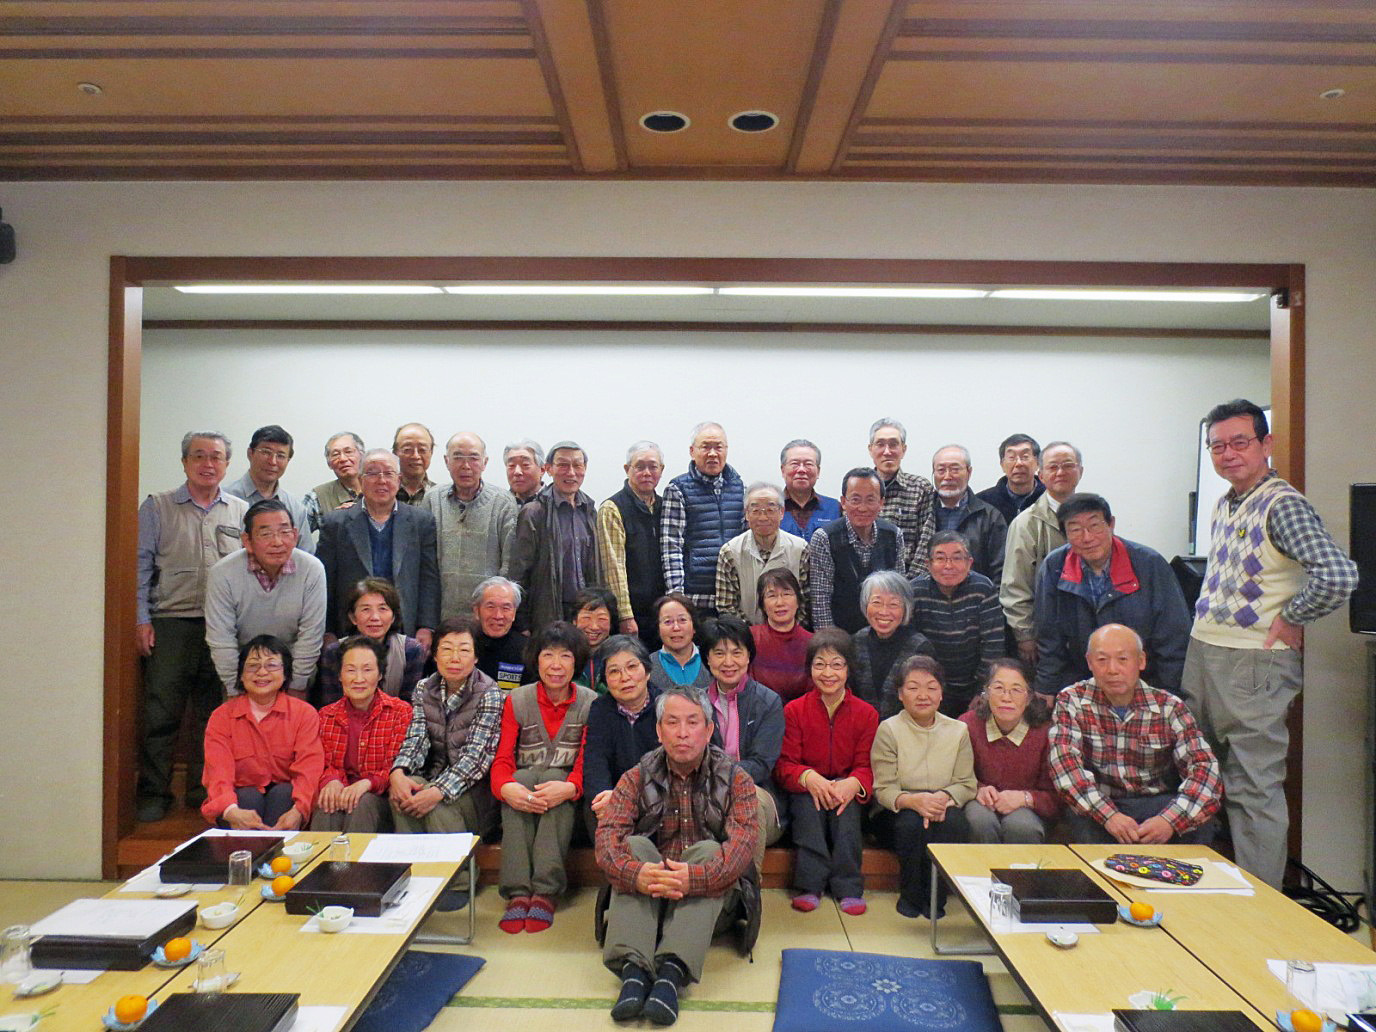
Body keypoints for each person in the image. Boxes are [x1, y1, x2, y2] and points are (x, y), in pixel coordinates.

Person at [1183, 399, 1359, 887]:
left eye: (1239, 442)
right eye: (1217, 446)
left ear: (1266, 444)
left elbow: (1339, 575)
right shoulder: (1226, 502)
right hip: (1205, 653)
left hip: (1253, 664)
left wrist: (1292, 617)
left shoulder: (1283, 504)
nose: (1228, 454)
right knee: (1200, 777)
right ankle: (1209, 893)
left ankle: (1259, 906)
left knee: (1252, 788)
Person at [595, 686, 760, 1027]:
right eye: (672, 722)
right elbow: (607, 840)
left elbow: (741, 850)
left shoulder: (736, 779)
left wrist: (693, 879)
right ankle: (634, 974)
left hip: (710, 906)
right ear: (659, 731)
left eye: (692, 722)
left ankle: (671, 975)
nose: (682, 733)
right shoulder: (636, 776)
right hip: (650, 898)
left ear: (709, 730)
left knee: (710, 851)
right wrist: (637, 874)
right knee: (634, 847)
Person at [136, 430, 250, 821]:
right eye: (199, 456)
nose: (208, 464)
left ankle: (204, 791)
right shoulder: (157, 506)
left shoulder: (240, 510)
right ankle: (153, 793)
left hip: (222, 628)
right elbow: (139, 567)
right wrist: (140, 619)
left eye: (216, 457)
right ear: (185, 462)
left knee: (213, 715)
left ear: (227, 464)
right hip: (170, 623)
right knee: (161, 713)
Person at [1049, 624, 1223, 846]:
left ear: (1141, 661)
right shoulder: (1071, 700)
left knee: (1198, 821)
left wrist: (1170, 821)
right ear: (1089, 663)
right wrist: (1109, 816)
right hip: (1102, 805)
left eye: (1122, 659)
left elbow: (1205, 768)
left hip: (1158, 805)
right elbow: (1064, 765)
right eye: (1102, 660)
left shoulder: (1169, 706)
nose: (1112, 669)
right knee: (1081, 817)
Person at [490, 622, 598, 934]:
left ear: (576, 662)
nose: (556, 665)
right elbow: (502, 758)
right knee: (520, 779)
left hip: (566, 797)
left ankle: (545, 892)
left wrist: (570, 787)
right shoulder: (517, 699)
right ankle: (518, 892)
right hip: (524, 787)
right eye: (548, 655)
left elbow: (587, 759)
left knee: (554, 778)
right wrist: (505, 787)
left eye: (565, 656)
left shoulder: (591, 702)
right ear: (536, 660)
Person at [1034, 493, 1190, 696]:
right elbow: (1049, 636)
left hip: (1144, 681)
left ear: (1111, 524)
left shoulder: (1149, 564)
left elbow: (1173, 637)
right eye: (1075, 530)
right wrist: (1047, 687)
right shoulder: (1055, 566)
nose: (1087, 537)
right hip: (1079, 683)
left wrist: (1168, 692)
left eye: (1095, 526)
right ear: (1065, 535)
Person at [775, 628, 878, 915]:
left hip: (847, 785)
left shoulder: (867, 714)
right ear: (810, 669)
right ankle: (810, 885)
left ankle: (849, 886)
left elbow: (867, 765)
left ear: (848, 669)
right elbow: (785, 764)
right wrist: (808, 777)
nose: (828, 673)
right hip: (807, 786)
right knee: (808, 807)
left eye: (837, 664)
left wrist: (854, 783)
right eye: (819, 664)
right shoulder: (794, 710)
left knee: (847, 812)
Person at [870, 655, 976, 918]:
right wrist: (913, 802)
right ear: (900, 694)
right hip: (897, 808)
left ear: (941, 694)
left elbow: (966, 783)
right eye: (913, 687)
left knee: (954, 824)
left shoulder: (958, 730)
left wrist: (941, 799)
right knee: (910, 824)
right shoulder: (888, 729)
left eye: (931, 687)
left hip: (942, 804)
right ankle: (910, 896)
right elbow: (883, 788)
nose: (923, 695)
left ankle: (936, 898)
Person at [390, 615, 503, 839]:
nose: (454, 658)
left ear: (476, 657)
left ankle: (457, 864)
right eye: (447, 649)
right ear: (435, 654)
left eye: (464, 650)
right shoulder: (424, 688)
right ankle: (409, 861)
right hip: (432, 777)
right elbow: (416, 739)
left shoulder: (490, 693)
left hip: (475, 792)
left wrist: (438, 791)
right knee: (404, 794)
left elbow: (475, 759)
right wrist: (398, 772)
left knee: (437, 807)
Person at [317, 448, 440, 651]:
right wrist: (327, 630)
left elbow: (429, 578)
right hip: (350, 627)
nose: (381, 480)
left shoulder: (421, 521)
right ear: (360, 479)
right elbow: (325, 581)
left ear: (399, 480)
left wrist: (426, 626)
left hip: (404, 626)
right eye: (372, 473)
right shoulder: (335, 523)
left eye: (388, 473)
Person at [204, 499, 326, 700]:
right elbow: (222, 640)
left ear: (295, 535)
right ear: (247, 541)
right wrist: (235, 690)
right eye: (265, 534)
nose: (277, 542)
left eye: (284, 532)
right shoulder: (223, 573)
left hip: (294, 670)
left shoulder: (312, 570)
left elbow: (311, 635)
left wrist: (297, 686)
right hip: (242, 673)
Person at [200, 636, 325, 829]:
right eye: (252, 666)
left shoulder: (304, 714)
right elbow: (218, 772)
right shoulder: (222, 716)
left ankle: (275, 847)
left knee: (283, 794)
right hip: (238, 802)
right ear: (241, 675)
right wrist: (231, 810)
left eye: (272, 665)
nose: (262, 672)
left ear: (285, 673)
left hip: (287, 801)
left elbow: (309, 770)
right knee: (248, 797)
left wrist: (298, 810)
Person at [699, 615, 785, 870]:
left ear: (749, 656)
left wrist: (719, 775)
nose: (728, 662)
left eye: (737, 653)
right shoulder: (696, 704)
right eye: (719, 653)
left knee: (749, 800)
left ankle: (748, 888)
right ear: (707, 659)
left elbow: (761, 765)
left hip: (757, 793)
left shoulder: (768, 702)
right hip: (707, 794)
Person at [311, 636, 412, 833]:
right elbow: (323, 764)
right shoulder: (326, 715)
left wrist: (367, 784)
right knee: (326, 804)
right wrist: (331, 781)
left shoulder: (400, 712)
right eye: (350, 670)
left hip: (380, 799)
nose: (358, 679)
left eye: (367, 670)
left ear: (380, 674)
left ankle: (355, 855)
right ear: (339, 675)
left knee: (362, 803)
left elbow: (395, 766)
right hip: (342, 793)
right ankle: (320, 855)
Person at [1001, 439, 1084, 666]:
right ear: (1041, 475)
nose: (1060, 472)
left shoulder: (1094, 517)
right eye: (1052, 467)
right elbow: (1015, 586)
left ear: (1080, 471)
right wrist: (1025, 635)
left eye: (1068, 465)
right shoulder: (1026, 524)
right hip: (1046, 636)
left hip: (1089, 630)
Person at [958, 659, 1059, 843]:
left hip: (1027, 807)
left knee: (1021, 826)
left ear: (1029, 697)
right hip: (981, 802)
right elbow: (956, 777)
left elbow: (1057, 796)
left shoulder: (1046, 732)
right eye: (998, 688)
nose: (1006, 697)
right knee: (979, 820)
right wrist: (978, 789)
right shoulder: (967, 725)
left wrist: (1024, 798)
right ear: (986, 693)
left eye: (1016, 690)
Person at [508, 440, 602, 632]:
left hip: (583, 615)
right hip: (548, 613)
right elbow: (519, 573)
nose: (571, 472)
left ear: (585, 469)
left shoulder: (589, 510)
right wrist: (522, 624)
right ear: (549, 469)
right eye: (563, 465)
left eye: (577, 465)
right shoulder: (534, 513)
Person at [426, 430, 518, 621]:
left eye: (474, 458)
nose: (466, 466)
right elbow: (425, 564)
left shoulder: (503, 502)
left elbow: (508, 565)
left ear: (485, 462)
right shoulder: (432, 499)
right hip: (441, 615)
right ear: (446, 461)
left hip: (488, 618)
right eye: (458, 457)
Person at [909, 532, 1005, 716]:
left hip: (974, 684)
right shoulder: (915, 591)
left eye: (957, 558)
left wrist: (982, 690)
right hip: (929, 685)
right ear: (928, 564)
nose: (948, 566)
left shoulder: (983, 588)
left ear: (969, 563)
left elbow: (993, 644)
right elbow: (911, 647)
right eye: (940, 558)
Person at [808, 467, 905, 633]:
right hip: (840, 634)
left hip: (883, 632)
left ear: (881, 503)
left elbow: (898, 593)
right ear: (843, 502)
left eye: (870, 500)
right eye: (855, 500)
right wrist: (830, 643)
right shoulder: (824, 538)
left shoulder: (893, 535)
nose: (862, 508)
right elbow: (820, 600)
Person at [660, 422, 745, 610]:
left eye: (718, 447)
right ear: (692, 451)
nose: (712, 453)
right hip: (695, 597)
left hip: (733, 596)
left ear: (726, 450)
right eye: (706, 447)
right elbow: (671, 547)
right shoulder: (678, 489)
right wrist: (677, 598)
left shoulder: (741, 489)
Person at [583, 635, 661, 838]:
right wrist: (606, 797)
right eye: (614, 671)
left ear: (647, 672)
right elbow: (595, 762)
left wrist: (630, 799)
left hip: (658, 799)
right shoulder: (600, 709)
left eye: (632, 667)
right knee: (595, 810)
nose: (625, 677)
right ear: (605, 680)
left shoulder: (666, 706)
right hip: (613, 799)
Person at [597, 441, 667, 647]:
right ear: (627, 469)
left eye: (653, 467)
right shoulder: (612, 509)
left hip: (662, 612)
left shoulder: (666, 506)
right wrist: (625, 616)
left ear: (661, 470)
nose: (647, 473)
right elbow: (614, 568)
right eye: (640, 466)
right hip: (633, 614)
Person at [316, 577, 427, 707]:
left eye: (382, 609)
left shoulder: (411, 650)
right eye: (366, 609)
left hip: (397, 718)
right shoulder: (334, 651)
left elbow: (410, 705)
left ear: (393, 616)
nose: (375, 617)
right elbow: (331, 705)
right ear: (353, 617)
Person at [714, 482, 808, 625]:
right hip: (745, 635)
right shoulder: (730, 552)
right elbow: (726, 606)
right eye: (756, 510)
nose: (763, 517)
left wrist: (786, 631)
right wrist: (753, 634)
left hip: (791, 633)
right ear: (746, 514)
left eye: (770, 510)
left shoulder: (800, 549)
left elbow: (806, 602)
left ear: (781, 512)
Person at [850, 570, 933, 719]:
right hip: (861, 726)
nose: (884, 611)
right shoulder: (857, 640)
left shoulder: (920, 647)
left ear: (906, 608)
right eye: (877, 602)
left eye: (893, 604)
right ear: (865, 605)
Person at [224, 424, 314, 554]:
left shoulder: (295, 508)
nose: (272, 461)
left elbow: (306, 557)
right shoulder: (225, 499)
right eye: (266, 452)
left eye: (281, 456)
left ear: (288, 460)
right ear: (250, 453)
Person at [868, 418, 935, 576]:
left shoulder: (920, 488)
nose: (887, 451)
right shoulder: (858, 487)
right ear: (870, 449)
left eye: (893, 444)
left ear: (903, 449)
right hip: (864, 580)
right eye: (880, 444)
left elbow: (927, 542)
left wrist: (909, 584)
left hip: (908, 579)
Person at [930, 444, 1006, 582]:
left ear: (969, 472)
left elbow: (1001, 571)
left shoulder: (989, 517)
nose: (947, 476)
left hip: (977, 592)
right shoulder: (923, 511)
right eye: (941, 470)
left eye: (955, 469)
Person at [748, 569, 812, 703]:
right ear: (762, 605)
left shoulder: (812, 643)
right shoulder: (749, 638)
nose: (780, 602)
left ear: (798, 601)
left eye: (786, 594)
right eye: (772, 596)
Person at [472, 576, 529, 689]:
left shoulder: (528, 650)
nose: (498, 616)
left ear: (514, 613)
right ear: (477, 611)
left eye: (506, 608)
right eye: (490, 607)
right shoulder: (463, 646)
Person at [975, 434, 1045, 526]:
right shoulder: (982, 502)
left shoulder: (1049, 498)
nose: (1019, 463)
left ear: (1038, 463)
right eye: (1012, 457)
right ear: (1002, 464)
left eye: (1025, 457)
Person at [778, 439, 840, 541]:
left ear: (818, 471)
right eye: (795, 464)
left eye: (808, 464)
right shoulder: (771, 508)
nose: (801, 470)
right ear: (783, 470)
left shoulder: (835, 508)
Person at [648, 593, 711, 691]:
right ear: (658, 628)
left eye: (682, 620)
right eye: (668, 622)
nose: (676, 628)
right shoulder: (647, 666)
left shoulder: (711, 658)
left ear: (694, 626)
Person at [307, 431, 365, 532]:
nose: (342, 459)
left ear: (362, 456)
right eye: (335, 454)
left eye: (348, 452)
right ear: (329, 464)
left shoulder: (381, 487)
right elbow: (296, 531)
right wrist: (334, 518)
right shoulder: (318, 496)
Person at [572, 586, 619, 690]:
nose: (594, 627)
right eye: (586, 618)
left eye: (602, 619)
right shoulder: (567, 653)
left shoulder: (620, 653)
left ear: (611, 622)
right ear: (574, 621)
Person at [393, 422, 437, 505]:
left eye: (422, 450)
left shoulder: (439, 496)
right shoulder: (383, 493)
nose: (416, 456)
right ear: (395, 453)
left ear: (431, 453)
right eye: (407, 449)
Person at [504, 439, 546, 506]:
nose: (517, 472)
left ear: (542, 469)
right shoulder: (499, 504)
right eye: (511, 465)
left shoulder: (555, 502)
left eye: (525, 465)